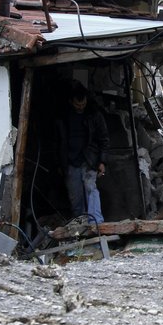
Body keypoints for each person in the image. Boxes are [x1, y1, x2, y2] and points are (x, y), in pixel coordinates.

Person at [55, 80, 110, 224]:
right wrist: (60, 164)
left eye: (83, 104)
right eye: (77, 104)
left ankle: (96, 224)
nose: (81, 107)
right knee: (75, 196)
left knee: (91, 189)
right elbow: (58, 142)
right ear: (71, 102)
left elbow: (104, 139)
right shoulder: (63, 117)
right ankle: (80, 224)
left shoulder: (94, 115)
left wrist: (102, 161)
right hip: (70, 161)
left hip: (89, 159)